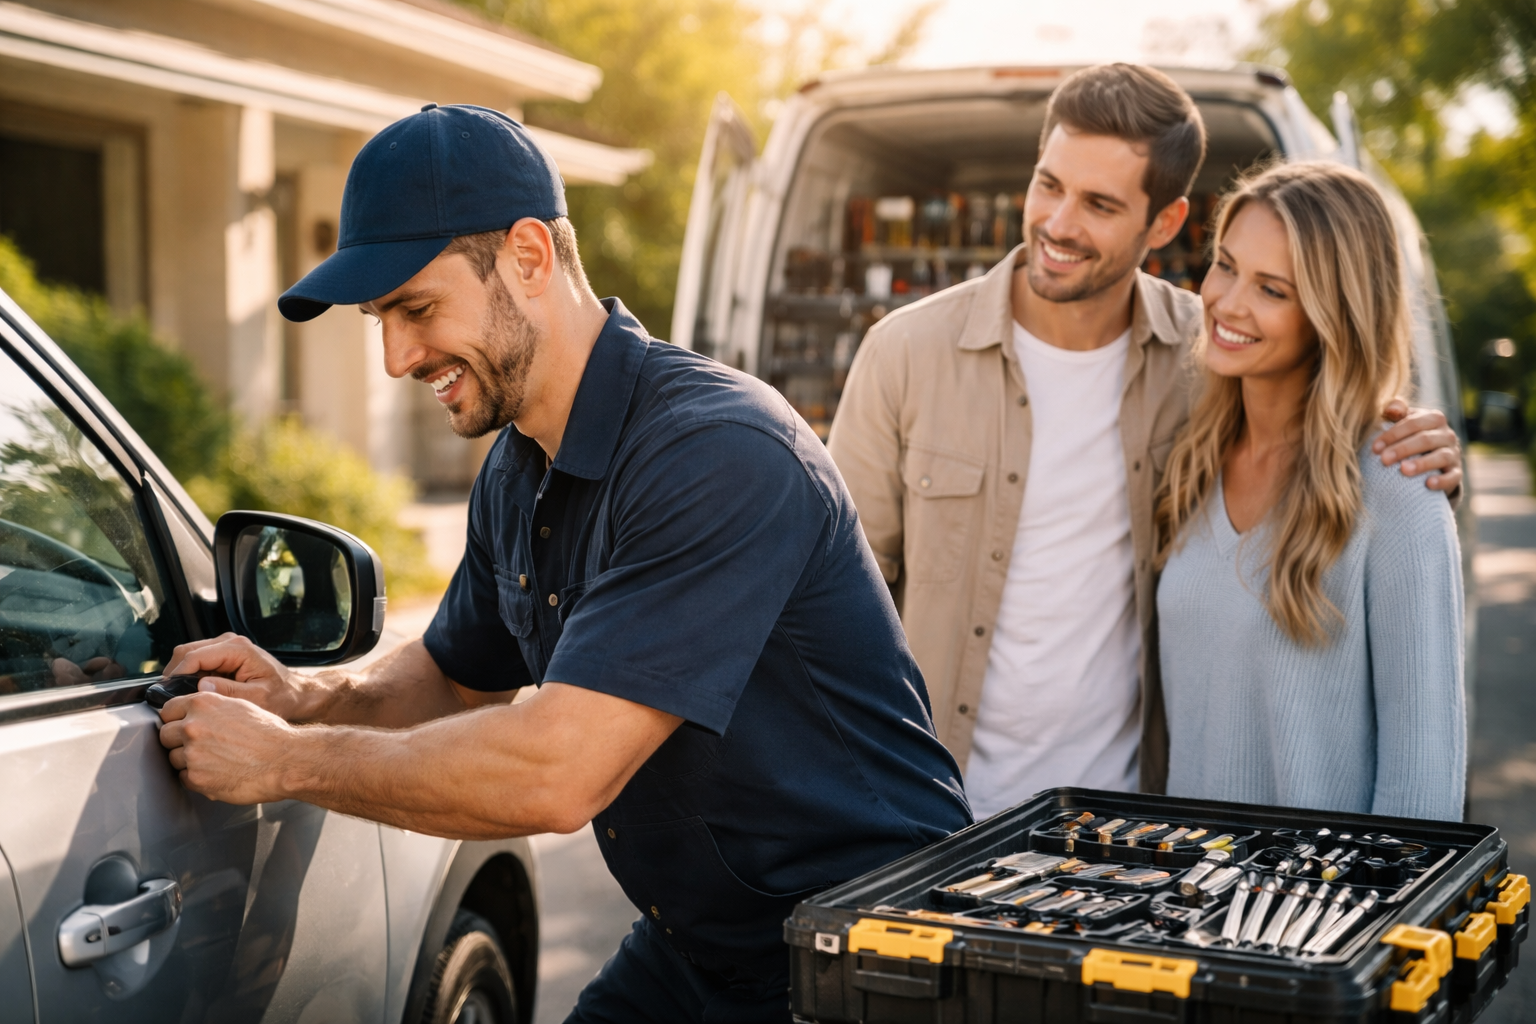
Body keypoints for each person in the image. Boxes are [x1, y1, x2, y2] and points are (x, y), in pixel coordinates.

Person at [155, 103, 971, 1022]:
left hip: (876, 957)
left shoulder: (719, 452)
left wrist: (288, 762)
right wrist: (305, 699)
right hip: (700, 950)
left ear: (531, 256)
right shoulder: (518, 468)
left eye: (416, 308)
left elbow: (556, 774)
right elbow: (454, 676)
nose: (394, 357)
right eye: (377, 318)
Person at [827, 64, 1463, 818]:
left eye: (1099, 203)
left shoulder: (1201, 362)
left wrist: (1410, 446)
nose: (1059, 224)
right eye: (1049, 185)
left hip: (1137, 849)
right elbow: (833, 613)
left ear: (1163, 225)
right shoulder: (906, 353)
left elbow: (1327, 393)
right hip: (940, 822)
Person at [1155, 162, 1465, 819]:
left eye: (1272, 289)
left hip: (1320, 916)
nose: (1229, 302)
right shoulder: (1193, 463)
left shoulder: (1400, 489)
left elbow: (1424, 790)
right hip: (1182, 910)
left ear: (1334, 314)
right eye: (1226, 264)